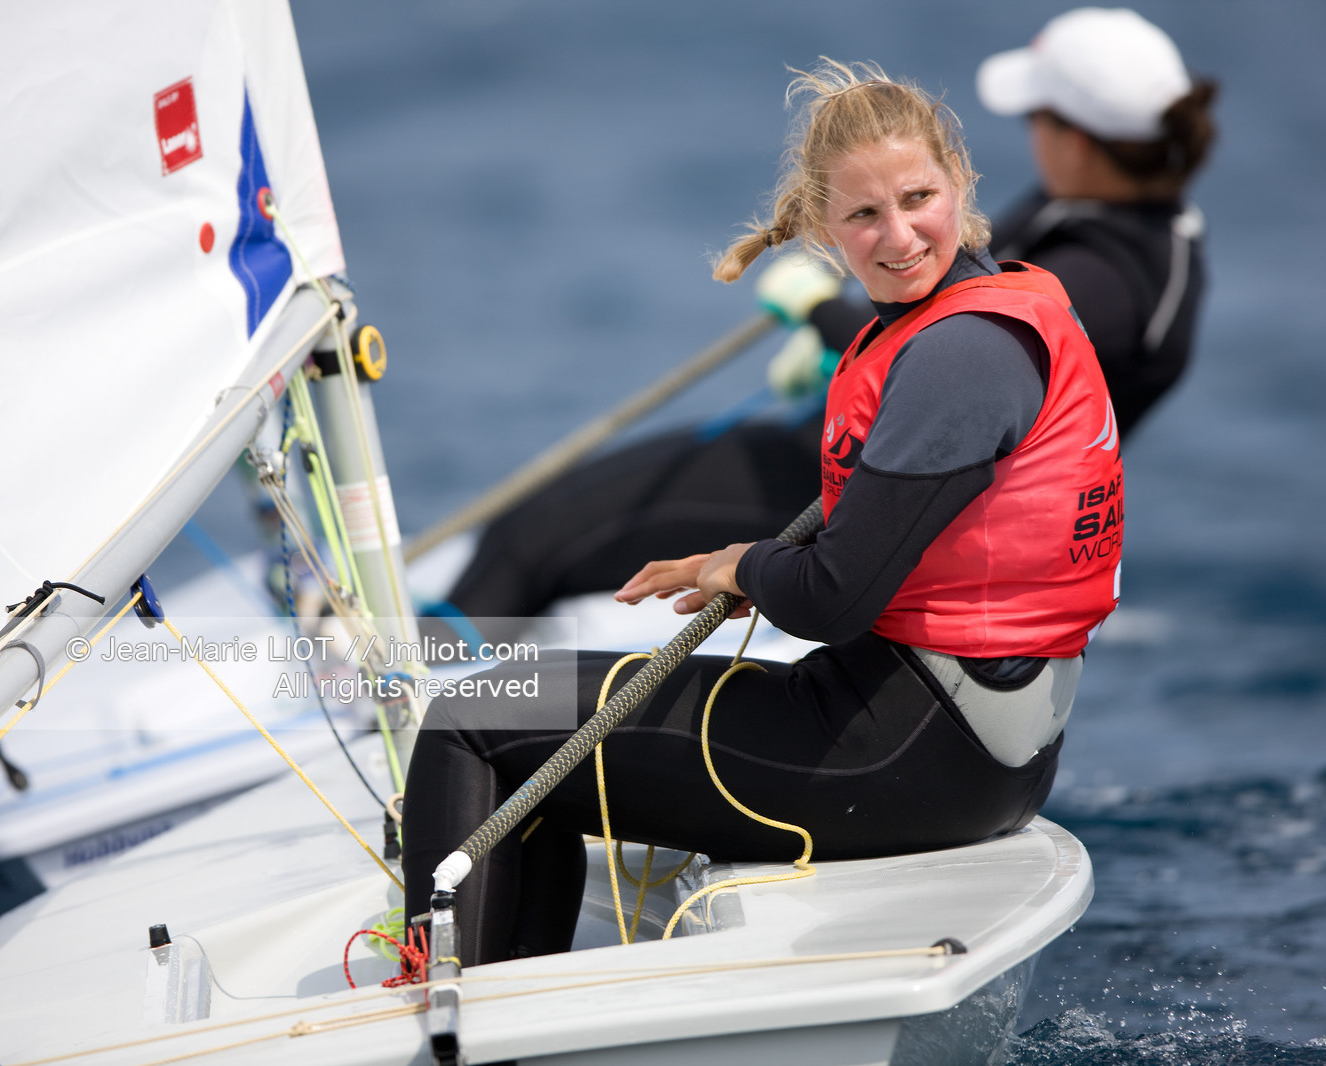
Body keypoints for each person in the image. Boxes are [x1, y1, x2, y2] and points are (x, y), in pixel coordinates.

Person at [402, 60, 1123, 966]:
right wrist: (749, 561)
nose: (898, 235)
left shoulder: (962, 356)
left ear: (962, 181)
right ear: (826, 227)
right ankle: (504, 1009)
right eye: (864, 215)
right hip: (976, 747)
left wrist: (738, 568)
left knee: (473, 713)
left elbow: (831, 600)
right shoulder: (994, 307)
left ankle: (432, 1019)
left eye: (917, 198)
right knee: (538, 738)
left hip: (909, 753)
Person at [440, 8, 1211, 634]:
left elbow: (958, 359)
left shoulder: (1110, 277)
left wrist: (823, 314)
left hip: (866, 496)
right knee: (531, 530)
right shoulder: (1092, 215)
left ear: (1072, 139)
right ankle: (427, 696)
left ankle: (421, 714)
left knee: (533, 542)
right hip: (852, 458)